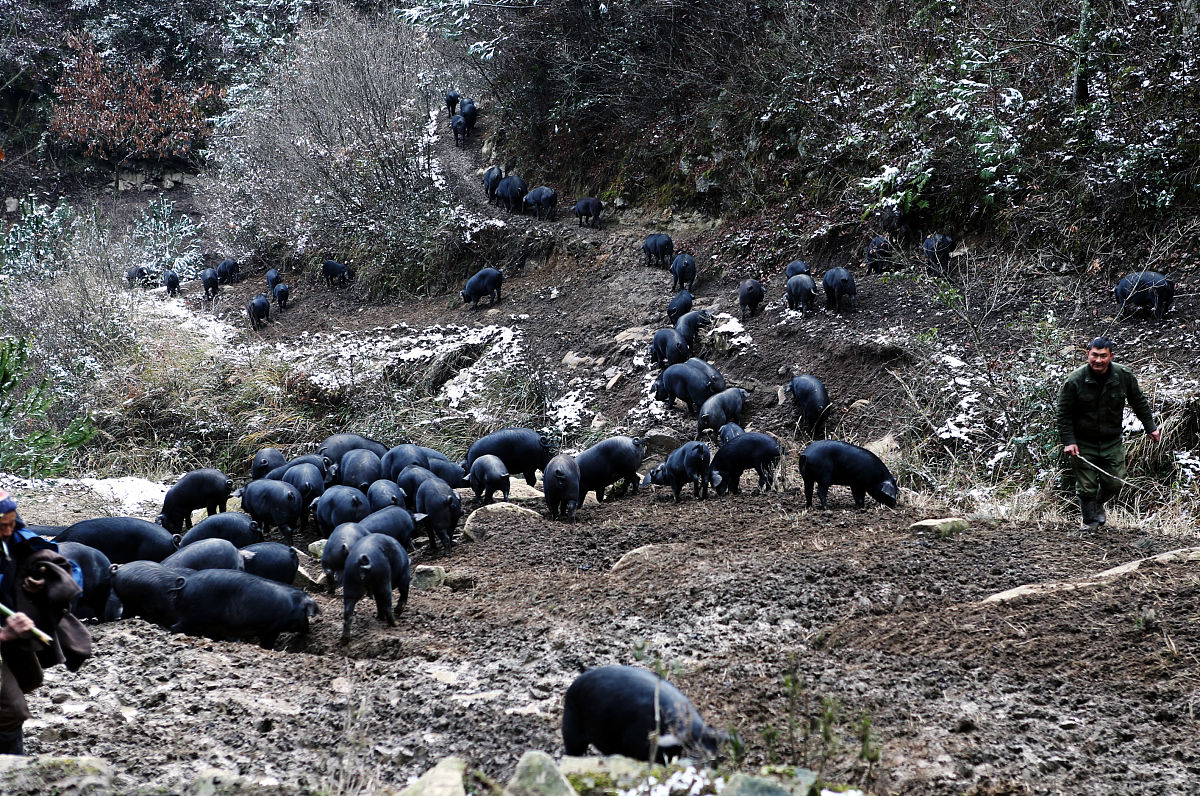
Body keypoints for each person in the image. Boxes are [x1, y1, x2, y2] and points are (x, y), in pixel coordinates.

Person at [0, 490, 91, 755]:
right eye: (1, 526)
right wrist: (4, 634)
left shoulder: (17, 539)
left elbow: (65, 567)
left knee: (29, 678)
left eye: (11, 523)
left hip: (14, 632)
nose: (7, 531)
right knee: (9, 709)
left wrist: (47, 583)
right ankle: (11, 770)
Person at [1056, 337, 1160, 529]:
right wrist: (1069, 441)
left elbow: (1138, 401)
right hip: (1083, 442)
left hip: (1111, 440)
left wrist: (1150, 427)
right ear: (1088, 354)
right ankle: (1090, 523)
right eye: (1094, 355)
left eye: (1103, 356)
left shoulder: (1123, 376)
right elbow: (1063, 414)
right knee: (1086, 486)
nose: (1098, 360)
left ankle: (1097, 504)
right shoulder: (1074, 381)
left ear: (1111, 356)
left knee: (1115, 482)